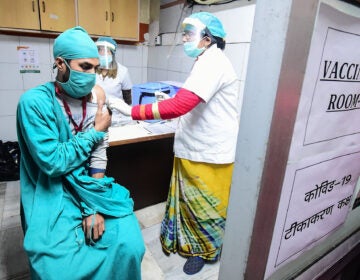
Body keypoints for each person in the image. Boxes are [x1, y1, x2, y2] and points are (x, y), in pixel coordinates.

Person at [108, 12, 241, 275]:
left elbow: (181, 104)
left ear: (207, 39)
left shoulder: (214, 62)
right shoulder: (205, 61)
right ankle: (188, 241)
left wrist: (130, 110)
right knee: (191, 202)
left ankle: (206, 251)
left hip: (210, 152)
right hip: (196, 147)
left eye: (189, 34)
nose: (183, 39)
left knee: (206, 206)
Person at [16, 26, 145, 280]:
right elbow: (53, 162)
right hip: (52, 189)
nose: (92, 76)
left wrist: (92, 206)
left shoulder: (96, 98)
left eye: (96, 69)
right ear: (60, 64)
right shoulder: (34, 103)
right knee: (55, 268)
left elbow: (98, 155)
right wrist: (96, 132)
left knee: (130, 244)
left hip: (89, 186)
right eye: (85, 67)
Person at [95, 36, 133, 125]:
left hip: (117, 118)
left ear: (112, 54)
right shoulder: (90, 70)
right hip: (95, 116)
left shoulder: (122, 71)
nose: (103, 53)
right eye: (100, 50)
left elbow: (128, 99)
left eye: (107, 51)